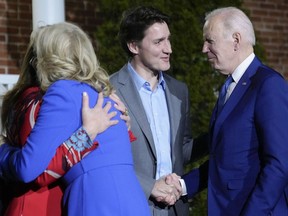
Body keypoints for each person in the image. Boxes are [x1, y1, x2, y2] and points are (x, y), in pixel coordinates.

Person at [0, 22, 150, 216]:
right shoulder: (105, 94)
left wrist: (3, 151)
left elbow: (28, 169)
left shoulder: (61, 91)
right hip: (133, 202)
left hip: (94, 199)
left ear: (46, 58)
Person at [180, 6, 288, 215]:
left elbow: (280, 164)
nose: (204, 48)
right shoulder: (230, 87)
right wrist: (183, 186)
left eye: (210, 40)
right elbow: (226, 159)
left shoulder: (268, 85)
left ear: (236, 40)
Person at [110, 6, 208, 216]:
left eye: (168, 39)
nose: (169, 49)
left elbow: (181, 151)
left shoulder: (179, 91)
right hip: (131, 206)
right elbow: (104, 159)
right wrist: (149, 186)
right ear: (134, 46)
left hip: (175, 208)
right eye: (158, 42)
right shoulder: (109, 90)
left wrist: (218, 135)